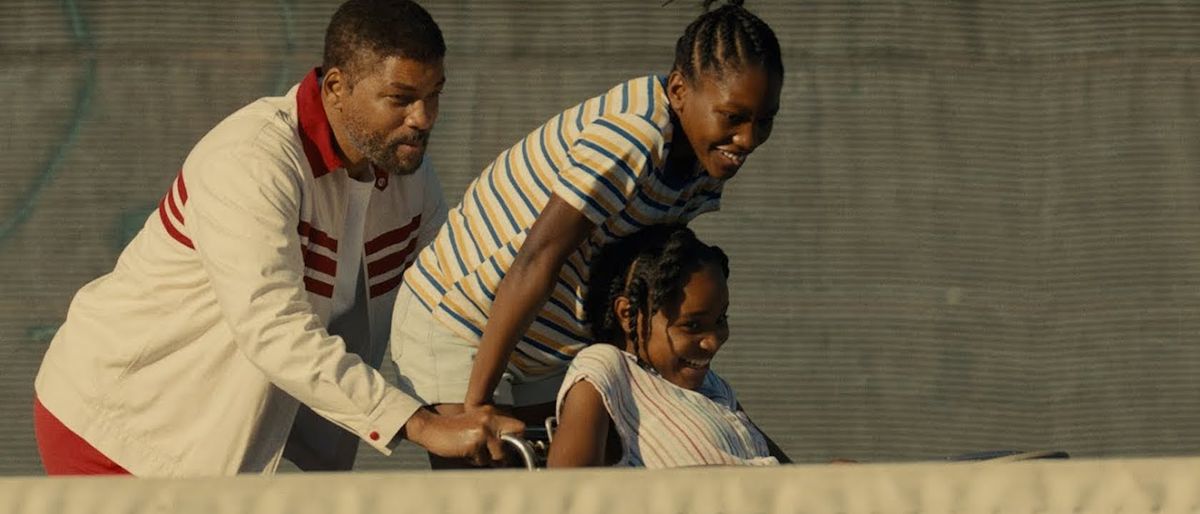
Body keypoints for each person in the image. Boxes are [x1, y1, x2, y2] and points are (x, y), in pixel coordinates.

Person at [31, 0, 521, 477]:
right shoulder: (251, 160)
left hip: (227, 441)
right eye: (401, 98)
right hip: (121, 429)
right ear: (336, 88)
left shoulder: (407, 168)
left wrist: (472, 404)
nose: (424, 116)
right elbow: (272, 328)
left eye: (434, 93)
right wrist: (421, 424)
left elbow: (445, 297)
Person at [391, 0, 783, 467]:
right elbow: (539, 257)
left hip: (547, 338)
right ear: (679, 89)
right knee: (484, 480)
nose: (747, 138)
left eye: (764, 120)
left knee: (567, 471)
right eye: (733, 117)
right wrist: (477, 404)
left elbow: (639, 273)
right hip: (462, 316)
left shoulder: (706, 162)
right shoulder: (633, 137)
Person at [545, 224, 787, 467]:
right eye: (692, 325)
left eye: (720, 320)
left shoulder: (714, 387)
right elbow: (568, 491)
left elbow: (798, 479)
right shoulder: (608, 366)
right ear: (628, 313)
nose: (712, 342)